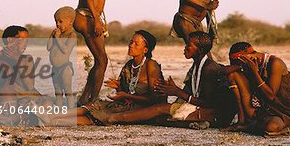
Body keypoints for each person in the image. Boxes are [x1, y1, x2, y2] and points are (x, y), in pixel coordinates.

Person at [96, 31, 234, 129]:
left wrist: (177, 92)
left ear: (200, 50)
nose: (185, 48)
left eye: (189, 45)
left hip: (214, 112)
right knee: (160, 117)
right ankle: (196, 121)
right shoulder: (198, 65)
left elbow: (208, 102)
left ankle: (113, 119)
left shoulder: (209, 67)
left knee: (159, 109)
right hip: (200, 108)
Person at [49, 30, 165, 126]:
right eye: (131, 42)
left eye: (136, 44)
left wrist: (125, 95)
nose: (131, 45)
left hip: (143, 109)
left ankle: (53, 119)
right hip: (127, 105)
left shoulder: (151, 65)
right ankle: (52, 117)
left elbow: (153, 100)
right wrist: (119, 88)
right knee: (93, 106)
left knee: (99, 116)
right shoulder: (129, 65)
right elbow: (125, 93)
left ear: (145, 50)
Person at [74, 0, 130, 106]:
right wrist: (97, 20)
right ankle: (93, 101)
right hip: (86, 17)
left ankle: (85, 99)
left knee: (100, 60)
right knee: (102, 60)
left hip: (88, 16)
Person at [225, 42, 290, 136]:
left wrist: (255, 73)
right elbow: (224, 71)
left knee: (271, 127)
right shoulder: (248, 64)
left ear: (247, 54)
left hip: (277, 111)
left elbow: (270, 96)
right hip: (259, 109)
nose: (241, 65)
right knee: (233, 75)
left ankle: (286, 125)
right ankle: (242, 122)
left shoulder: (275, 63)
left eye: (240, 62)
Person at [0, 26, 48, 113]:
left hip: (31, 101)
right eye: (21, 40)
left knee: (47, 104)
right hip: (8, 102)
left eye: (27, 41)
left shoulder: (26, 59)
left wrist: (17, 59)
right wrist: (3, 51)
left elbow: (30, 86)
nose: (25, 44)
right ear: (10, 40)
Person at [47, 6, 77, 109]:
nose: (57, 24)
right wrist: (52, 36)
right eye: (56, 22)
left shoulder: (71, 35)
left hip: (65, 68)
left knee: (68, 91)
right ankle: (59, 110)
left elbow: (65, 50)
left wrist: (58, 38)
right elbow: (48, 47)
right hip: (55, 68)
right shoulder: (56, 35)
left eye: (60, 21)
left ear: (70, 22)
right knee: (58, 91)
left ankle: (71, 110)